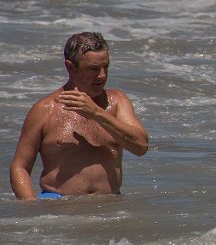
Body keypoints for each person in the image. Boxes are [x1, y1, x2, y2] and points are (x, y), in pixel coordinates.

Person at [10, 32, 149, 199]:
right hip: (59, 206)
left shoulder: (117, 101)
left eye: (106, 67)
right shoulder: (45, 109)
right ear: (70, 67)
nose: (102, 76)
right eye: (93, 69)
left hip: (110, 206)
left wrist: (97, 113)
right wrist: (31, 207)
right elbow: (20, 167)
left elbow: (141, 146)